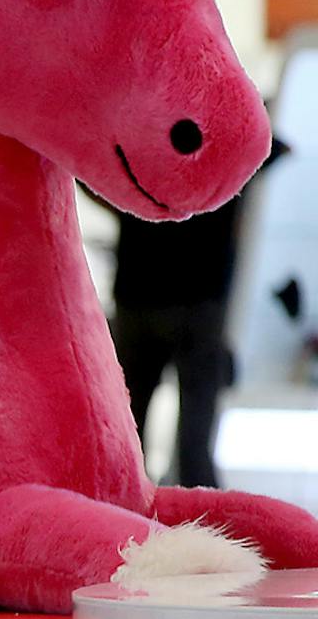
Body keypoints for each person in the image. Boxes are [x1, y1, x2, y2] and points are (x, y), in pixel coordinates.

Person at [109, 137, 287, 487]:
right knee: (195, 425)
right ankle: (197, 506)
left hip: (140, 288)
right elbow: (274, 148)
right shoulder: (230, 141)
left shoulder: (145, 134)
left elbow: (91, 174)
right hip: (200, 297)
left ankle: (123, 499)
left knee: (128, 417)